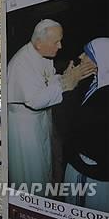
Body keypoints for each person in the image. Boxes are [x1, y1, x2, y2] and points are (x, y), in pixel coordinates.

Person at [7, 19, 96, 190]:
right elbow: (36, 100)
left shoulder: (42, 56)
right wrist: (65, 83)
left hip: (38, 124)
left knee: (43, 171)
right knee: (31, 175)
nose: (60, 46)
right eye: (56, 42)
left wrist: (64, 78)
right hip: (25, 131)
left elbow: (48, 81)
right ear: (39, 43)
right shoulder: (22, 63)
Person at [62, 38, 108, 211]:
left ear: (101, 58)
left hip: (93, 177)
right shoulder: (93, 85)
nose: (81, 56)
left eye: (87, 54)